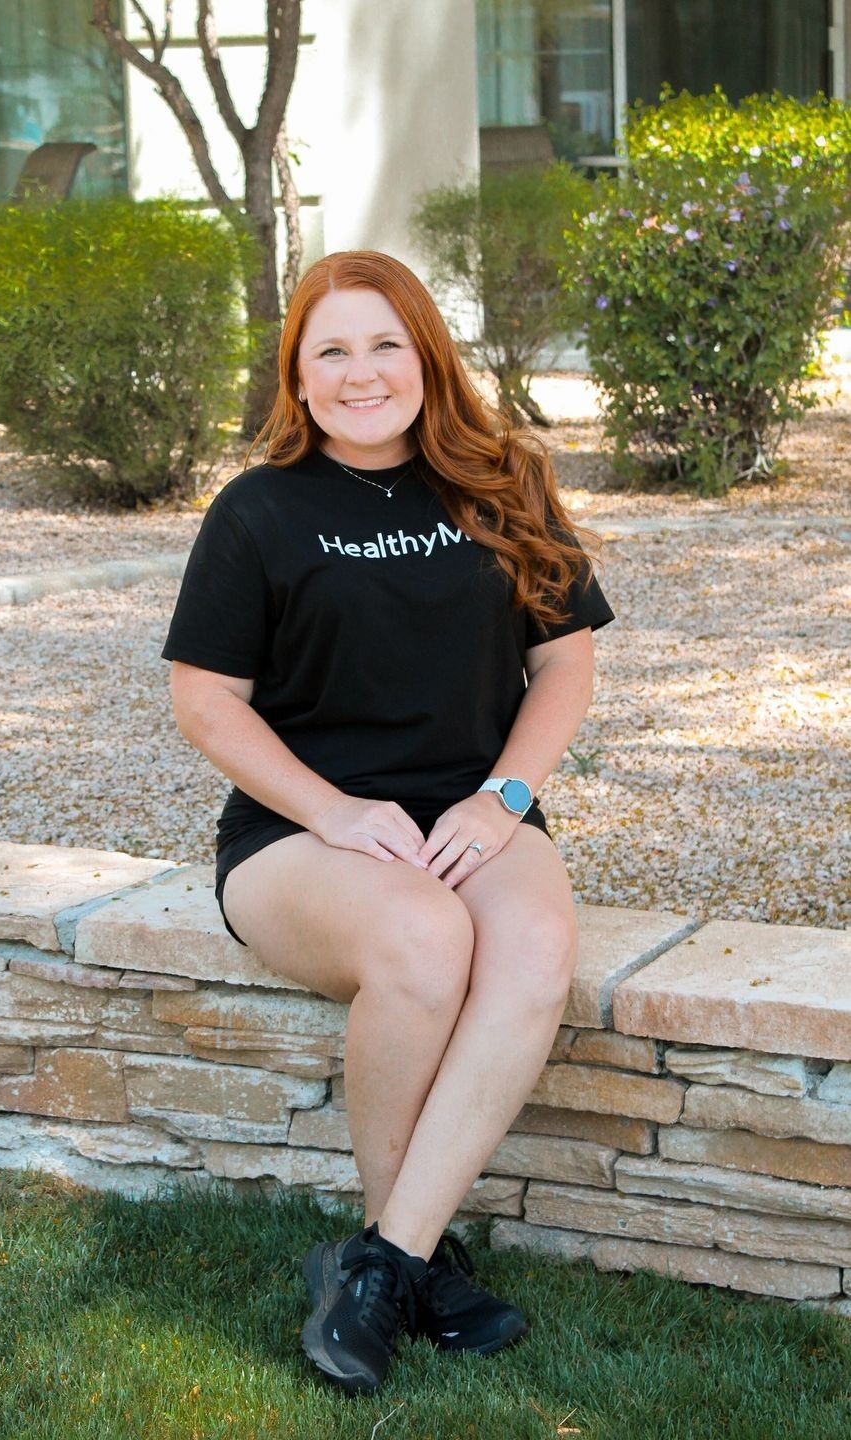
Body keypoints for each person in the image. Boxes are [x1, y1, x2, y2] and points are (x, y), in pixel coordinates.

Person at [162, 250, 614, 1396]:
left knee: (533, 953)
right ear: (298, 380)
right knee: (422, 940)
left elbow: (563, 666)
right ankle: (411, 1261)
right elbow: (204, 703)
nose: (361, 374)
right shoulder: (257, 510)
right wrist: (331, 809)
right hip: (302, 835)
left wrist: (503, 797)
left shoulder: (506, 480)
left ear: (424, 357)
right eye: (331, 352)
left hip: (478, 809)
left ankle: (379, 1262)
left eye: (384, 345)